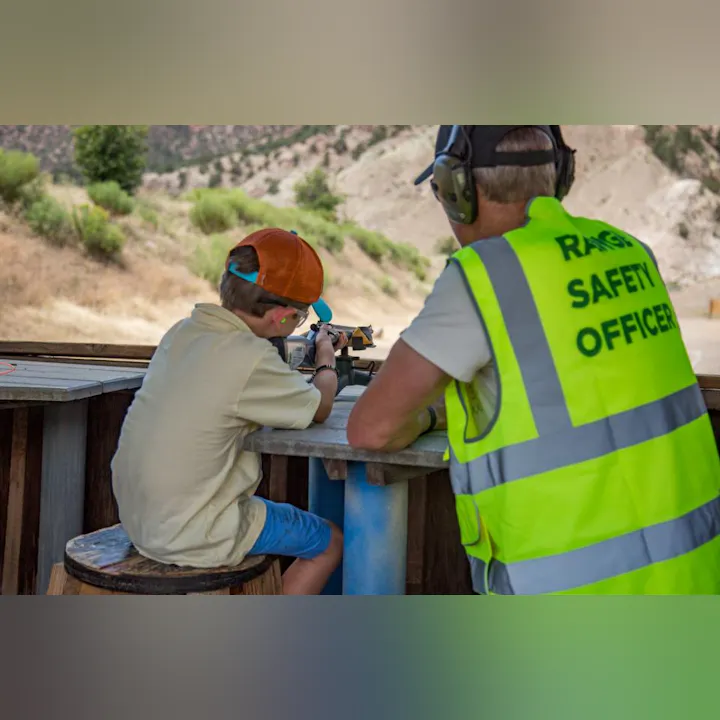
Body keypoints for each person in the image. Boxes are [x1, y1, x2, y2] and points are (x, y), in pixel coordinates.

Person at [347, 125, 720, 595]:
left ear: (456, 191)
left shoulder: (481, 276)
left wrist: (428, 417)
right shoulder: (632, 253)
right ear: (560, 176)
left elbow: (371, 429)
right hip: (692, 576)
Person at [112, 227, 346, 595]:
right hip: (194, 530)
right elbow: (320, 406)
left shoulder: (182, 332)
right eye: (299, 318)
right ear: (281, 319)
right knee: (331, 542)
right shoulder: (251, 357)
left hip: (141, 518)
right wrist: (326, 357)